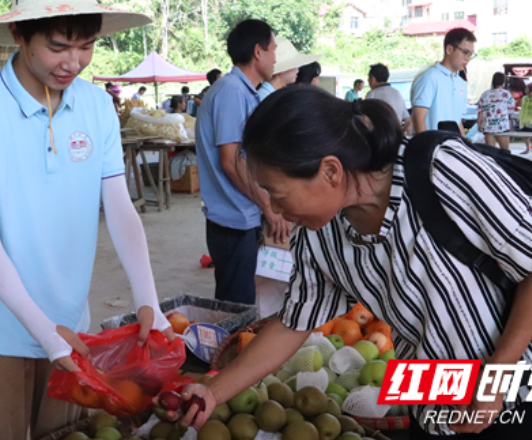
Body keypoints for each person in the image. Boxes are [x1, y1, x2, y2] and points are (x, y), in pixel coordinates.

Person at [176, 84, 532, 439]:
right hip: (429, 388)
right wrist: (214, 391)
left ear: (330, 171)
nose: (273, 209)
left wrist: (495, 383)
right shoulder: (318, 235)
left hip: (513, 383)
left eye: (277, 194)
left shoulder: (441, 170)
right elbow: (294, 324)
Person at [0, 2, 173, 439]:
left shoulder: (95, 106)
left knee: (67, 435)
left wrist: (150, 301)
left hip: (74, 322)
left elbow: (120, 207)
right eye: (58, 46)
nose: (73, 62)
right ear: (19, 35)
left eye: (86, 46)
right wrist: (46, 335)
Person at [195, 19, 290, 305]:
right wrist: (267, 206)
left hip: (241, 216)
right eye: (273, 50)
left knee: (244, 299)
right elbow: (231, 161)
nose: (276, 59)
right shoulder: (232, 91)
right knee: (236, 306)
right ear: (258, 52)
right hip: (232, 220)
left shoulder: (243, 91)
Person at [412, 28, 476, 133]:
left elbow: (458, 122)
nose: (468, 58)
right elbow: (418, 119)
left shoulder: (461, 83)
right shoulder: (429, 78)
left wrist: (463, 146)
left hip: (452, 147)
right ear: (449, 49)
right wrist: (429, 147)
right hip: (434, 146)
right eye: (465, 52)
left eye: (471, 55)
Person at [366, 63, 412, 135]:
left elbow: (366, 121)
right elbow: (408, 121)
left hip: (379, 139)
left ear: (372, 79)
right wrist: (400, 133)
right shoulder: (397, 93)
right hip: (395, 139)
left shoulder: (372, 94)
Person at [478, 72, 517, 149]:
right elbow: (512, 106)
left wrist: (479, 124)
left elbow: (480, 110)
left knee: (490, 153)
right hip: (502, 126)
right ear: (503, 82)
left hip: (488, 126)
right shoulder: (506, 94)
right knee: (505, 151)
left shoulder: (485, 94)